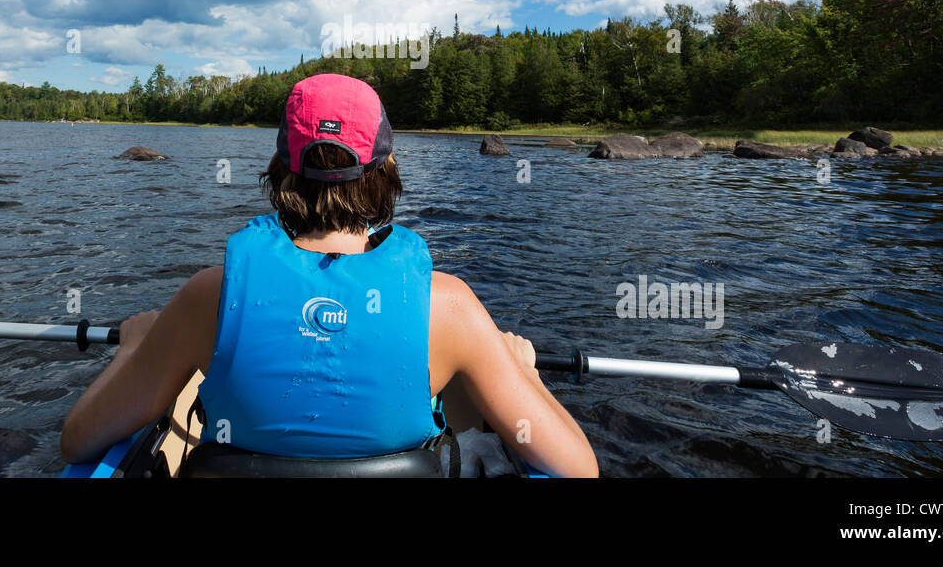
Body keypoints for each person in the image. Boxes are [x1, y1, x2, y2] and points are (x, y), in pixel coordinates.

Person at [61, 73, 598, 477]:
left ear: (281, 168)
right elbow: (579, 469)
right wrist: (521, 368)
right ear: (385, 169)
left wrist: (133, 347)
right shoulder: (448, 306)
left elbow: (79, 441)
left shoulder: (209, 295)